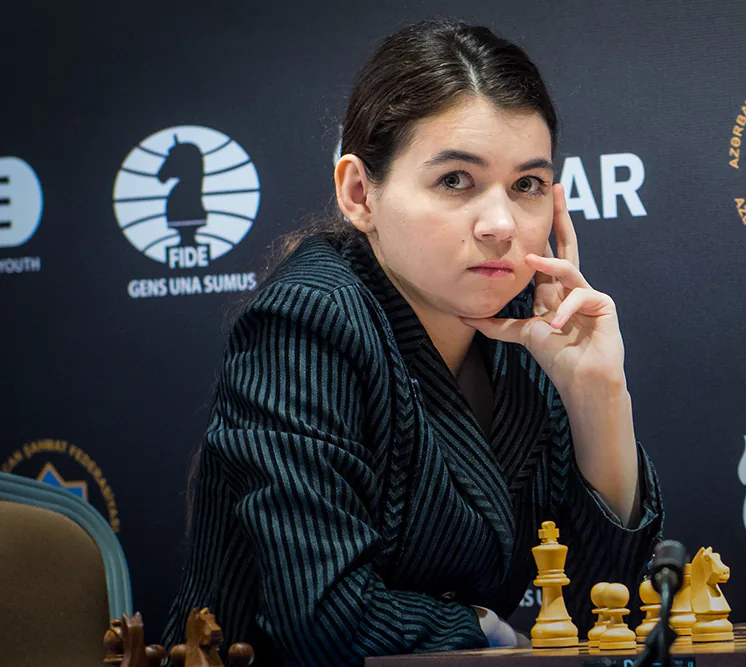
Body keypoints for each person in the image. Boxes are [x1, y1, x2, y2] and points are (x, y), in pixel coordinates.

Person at [163, 18, 664, 666]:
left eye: (527, 185)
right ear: (358, 193)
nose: (500, 224)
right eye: (455, 180)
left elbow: (609, 612)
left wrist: (597, 394)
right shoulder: (308, 318)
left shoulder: (536, 328)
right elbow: (324, 619)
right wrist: (484, 628)